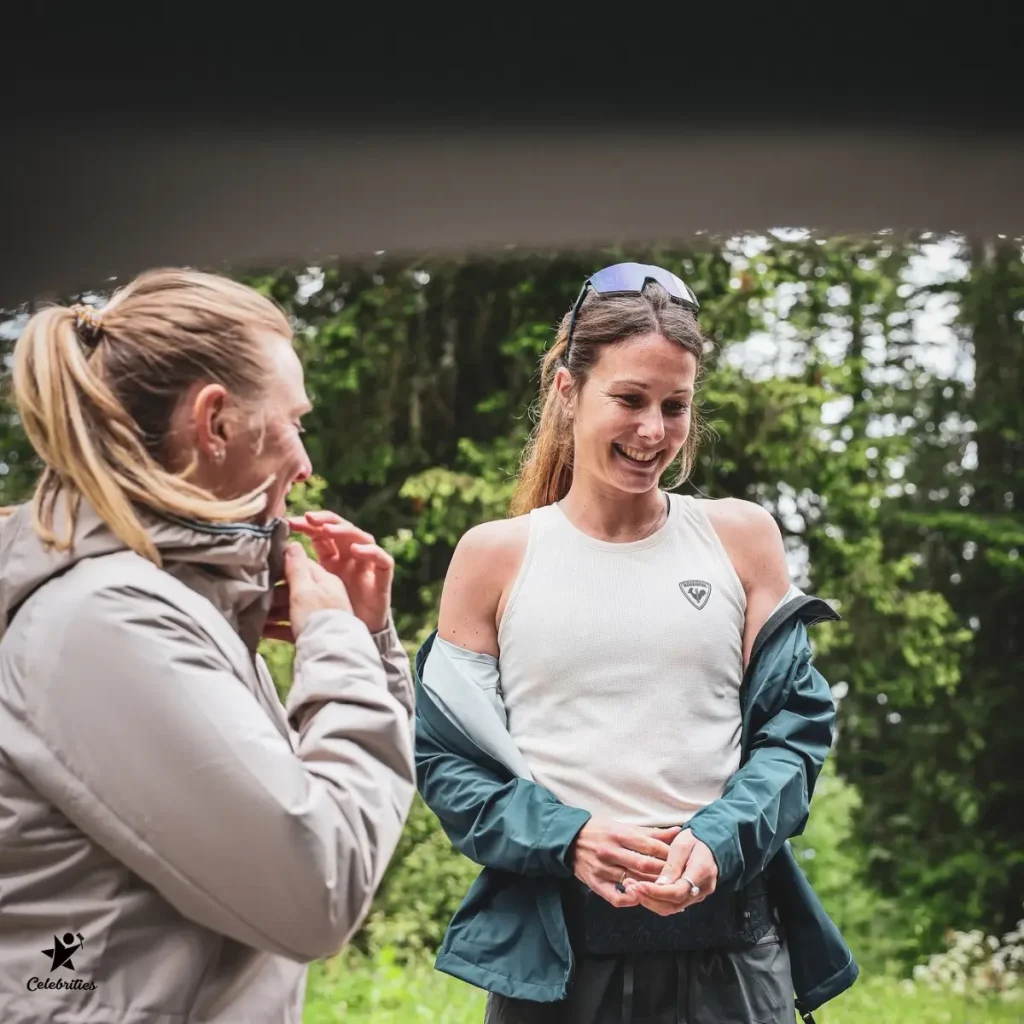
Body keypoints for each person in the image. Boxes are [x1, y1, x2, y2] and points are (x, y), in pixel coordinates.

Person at [414, 263, 858, 1023]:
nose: (653, 431)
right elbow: (449, 767)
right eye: (628, 399)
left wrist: (718, 839)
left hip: (735, 961)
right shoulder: (493, 557)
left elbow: (795, 736)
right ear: (565, 389)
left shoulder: (742, 538)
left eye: (674, 405)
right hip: (557, 970)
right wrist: (570, 837)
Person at [0, 269, 417, 1023]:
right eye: (295, 422)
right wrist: (334, 641)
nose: (306, 463)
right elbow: (319, 889)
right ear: (216, 422)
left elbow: (340, 819)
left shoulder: (171, 608)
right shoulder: (106, 623)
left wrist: (369, 644)